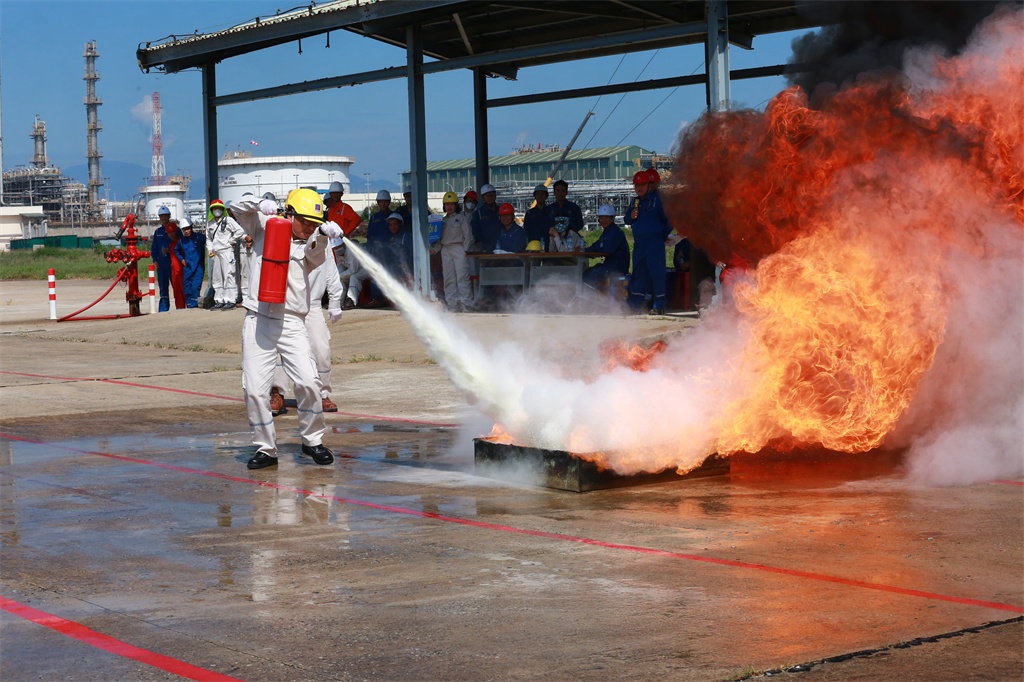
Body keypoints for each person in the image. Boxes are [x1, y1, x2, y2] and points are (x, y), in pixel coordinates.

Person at [231, 188, 344, 470]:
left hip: (292, 321)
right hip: (258, 319)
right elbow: (235, 206)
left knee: (308, 381)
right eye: (304, 222)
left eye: (313, 223)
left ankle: (312, 440)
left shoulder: (314, 241)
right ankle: (266, 448)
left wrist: (323, 234)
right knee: (256, 390)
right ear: (289, 213)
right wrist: (260, 203)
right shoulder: (264, 226)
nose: (308, 228)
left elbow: (314, 257)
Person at [270, 254, 344, 414]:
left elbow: (331, 272)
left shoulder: (322, 243)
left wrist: (335, 301)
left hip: (313, 305)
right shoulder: (285, 239)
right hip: (286, 305)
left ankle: (322, 394)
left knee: (321, 349)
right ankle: (277, 394)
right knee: (280, 352)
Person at [624, 170, 673, 314]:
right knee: (639, 273)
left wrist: (663, 235)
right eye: (636, 185)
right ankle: (636, 305)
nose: (639, 188)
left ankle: (659, 305)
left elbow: (670, 219)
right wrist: (632, 216)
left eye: (643, 184)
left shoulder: (658, 200)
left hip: (654, 244)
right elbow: (626, 220)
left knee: (656, 273)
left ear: (650, 185)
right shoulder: (635, 201)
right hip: (639, 244)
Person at [206, 199, 246, 310]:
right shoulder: (210, 223)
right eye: (214, 208)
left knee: (229, 275)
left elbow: (240, 231)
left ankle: (230, 300)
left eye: (219, 208)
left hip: (227, 252)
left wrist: (231, 241)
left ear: (223, 209)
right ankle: (219, 300)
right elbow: (208, 238)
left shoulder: (228, 220)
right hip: (216, 253)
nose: (217, 210)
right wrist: (210, 249)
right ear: (211, 210)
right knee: (217, 277)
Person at [438, 191, 473, 312]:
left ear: (456, 204)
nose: (449, 207)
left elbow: (467, 234)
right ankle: (451, 304)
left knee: (462, 278)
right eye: (447, 204)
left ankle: (465, 303)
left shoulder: (461, 217)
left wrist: (465, 250)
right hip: (445, 249)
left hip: (459, 248)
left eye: (452, 204)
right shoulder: (441, 221)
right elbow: (437, 238)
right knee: (449, 279)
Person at [584, 204, 630, 290]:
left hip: (617, 267)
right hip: (610, 265)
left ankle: (592, 298)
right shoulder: (607, 232)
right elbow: (596, 245)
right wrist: (584, 251)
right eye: (601, 218)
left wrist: (590, 252)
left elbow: (607, 249)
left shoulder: (615, 232)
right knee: (589, 272)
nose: (603, 220)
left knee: (589, 274)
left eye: (607, 217)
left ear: (612, 218)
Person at [150, 206, 185, 312]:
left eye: (166, 216)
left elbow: (181, 245)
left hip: (174, 263)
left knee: (177, 286)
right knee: (163, 288)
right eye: (162, 216)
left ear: (169, 216)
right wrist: (155, 261)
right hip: (162, 265)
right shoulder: (158, 232)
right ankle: (163, 309)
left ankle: (180, 307)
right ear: (159, 218)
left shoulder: (177, 230)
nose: (164, 218)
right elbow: (154, 248)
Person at [173, 217, 206, 308]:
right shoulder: (181, 241)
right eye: (184, 230)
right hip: (188, 267)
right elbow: (176, 250)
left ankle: (195, 304)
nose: (186, 231)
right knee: (187, 286)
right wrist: (181, 259)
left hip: (198, 267)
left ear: (191, 227)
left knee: (195, 286)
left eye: (188, 229)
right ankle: (189, 304)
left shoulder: (199, 237)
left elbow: (210, 241)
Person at [470, 183, 502, 253]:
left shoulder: (501, 210)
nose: (490, 197)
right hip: (486, 249)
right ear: (483, 197)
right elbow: (476, 233)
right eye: (487, 195)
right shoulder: (478, 214)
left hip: (502, 247)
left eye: (492, 195)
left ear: (495, 195)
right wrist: (482, 248)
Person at [523, 183, 552, 250]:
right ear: (535, 196)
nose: (540, 196)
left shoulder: (551, 212)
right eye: (538, 194)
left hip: (549, 246)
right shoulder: (530, 213)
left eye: (542, 194)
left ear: (546, 196)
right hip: (533, 247)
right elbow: (526, 231)